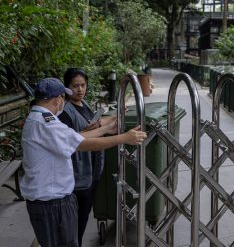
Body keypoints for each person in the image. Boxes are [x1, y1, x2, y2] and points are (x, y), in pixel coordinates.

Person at [20, 77, 147, 247]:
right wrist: (124, 138)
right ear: (58, 100)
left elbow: (74, 137)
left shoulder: (39, 118)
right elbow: (82, 144)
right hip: (52, 204)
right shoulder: (46, 123)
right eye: (63, 98)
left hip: (48, 201)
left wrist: (105, 129)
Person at [58, 68, 111, 246]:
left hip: (92, 172)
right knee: (76, 224)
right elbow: (68, 141)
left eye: (83, 85)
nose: (80, 90)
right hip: (78, 176)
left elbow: (94, 127)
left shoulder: (84, 104)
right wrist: (88, 131)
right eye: (75, 86)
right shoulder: (66, 111)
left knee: (83, 218)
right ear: (67, 88)